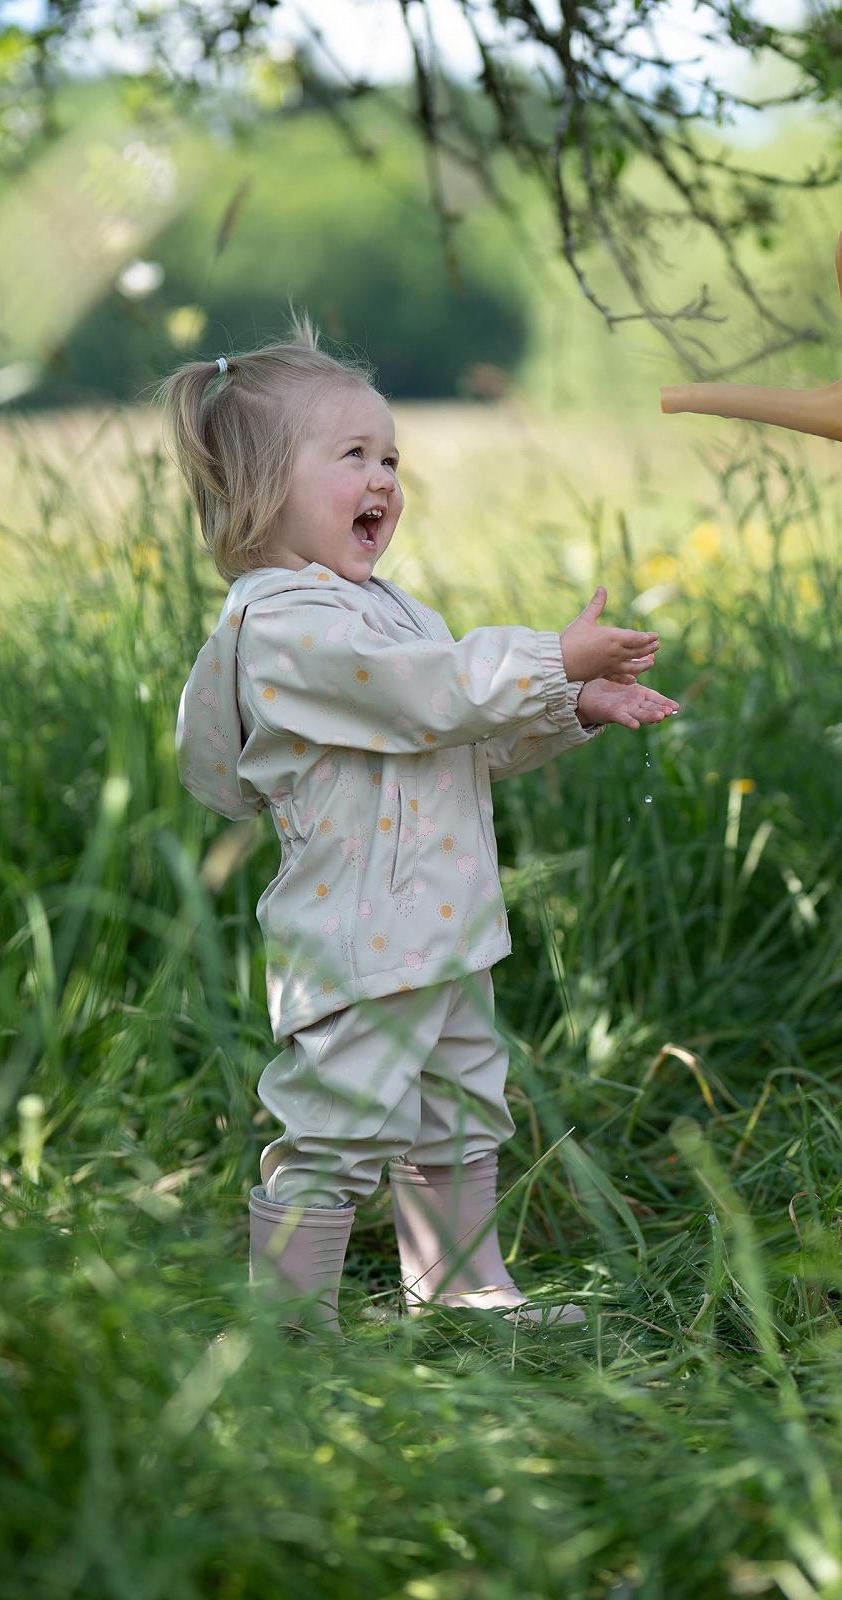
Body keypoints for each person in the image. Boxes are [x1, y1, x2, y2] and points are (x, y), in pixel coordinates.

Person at [158, 311, 680, 1338]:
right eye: (352, 454)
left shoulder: (388, 611)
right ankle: (289, 1328)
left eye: (391, 454)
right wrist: (547, 658)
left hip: (445, 928)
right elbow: (429, 693)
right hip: (357, 941)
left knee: (458, 1114)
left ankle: (463, 1292)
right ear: (262, 487)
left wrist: (570, 705)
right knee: (338, 1126)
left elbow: (457, 736)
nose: (384, 477)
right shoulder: (282, 622)